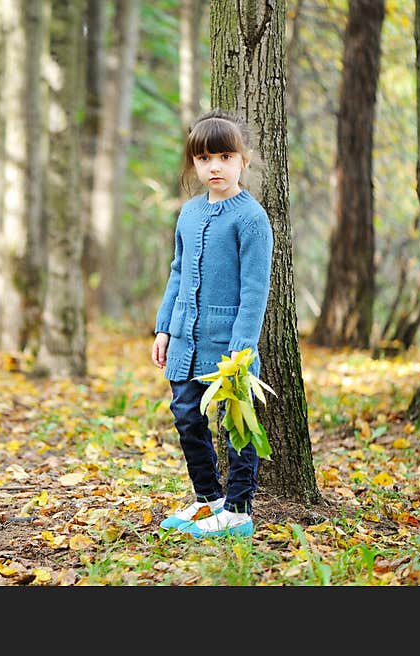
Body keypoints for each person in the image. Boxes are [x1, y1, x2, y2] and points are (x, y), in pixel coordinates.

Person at [151, 109, 273, 538]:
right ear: (194, 164)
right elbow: (179, 271)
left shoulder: (251, 219)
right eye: (204, 158)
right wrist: (164, 327)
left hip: (229, 345)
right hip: (186, 337)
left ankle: (238, 511)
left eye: (224, 155)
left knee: (236, 422)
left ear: (244, 159)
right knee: (185, 414)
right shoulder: (188, 213)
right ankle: (209, 500)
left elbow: (255, 290)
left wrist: (243, 349)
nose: (214, 166)